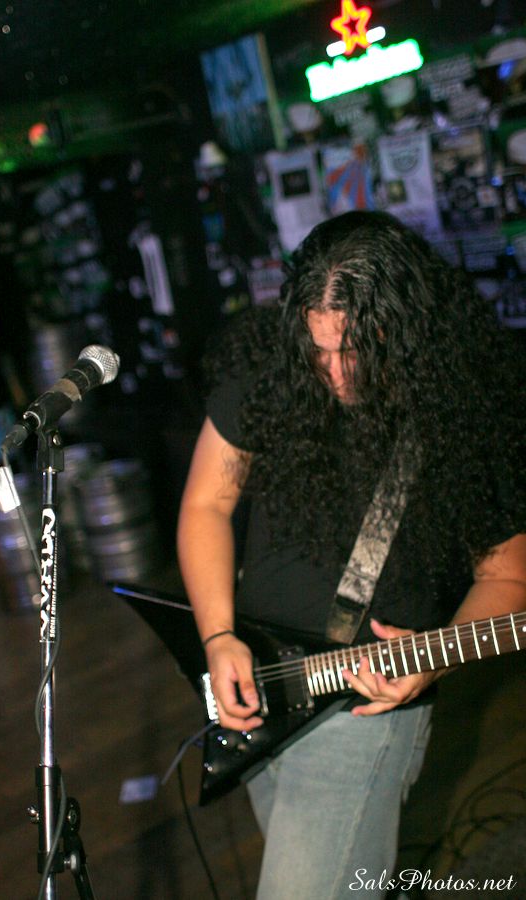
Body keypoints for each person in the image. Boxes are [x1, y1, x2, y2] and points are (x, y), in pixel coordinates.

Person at [176, 211, 526, 899]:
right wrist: (218, 636)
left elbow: (509, 576)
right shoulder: (269, 368)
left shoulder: (471, 402)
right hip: (260, 681)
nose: (336, 374)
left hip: (362, 714)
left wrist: (433, 660)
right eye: (319, 351)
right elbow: (206, 504)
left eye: (357, 349)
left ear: (406, 326)